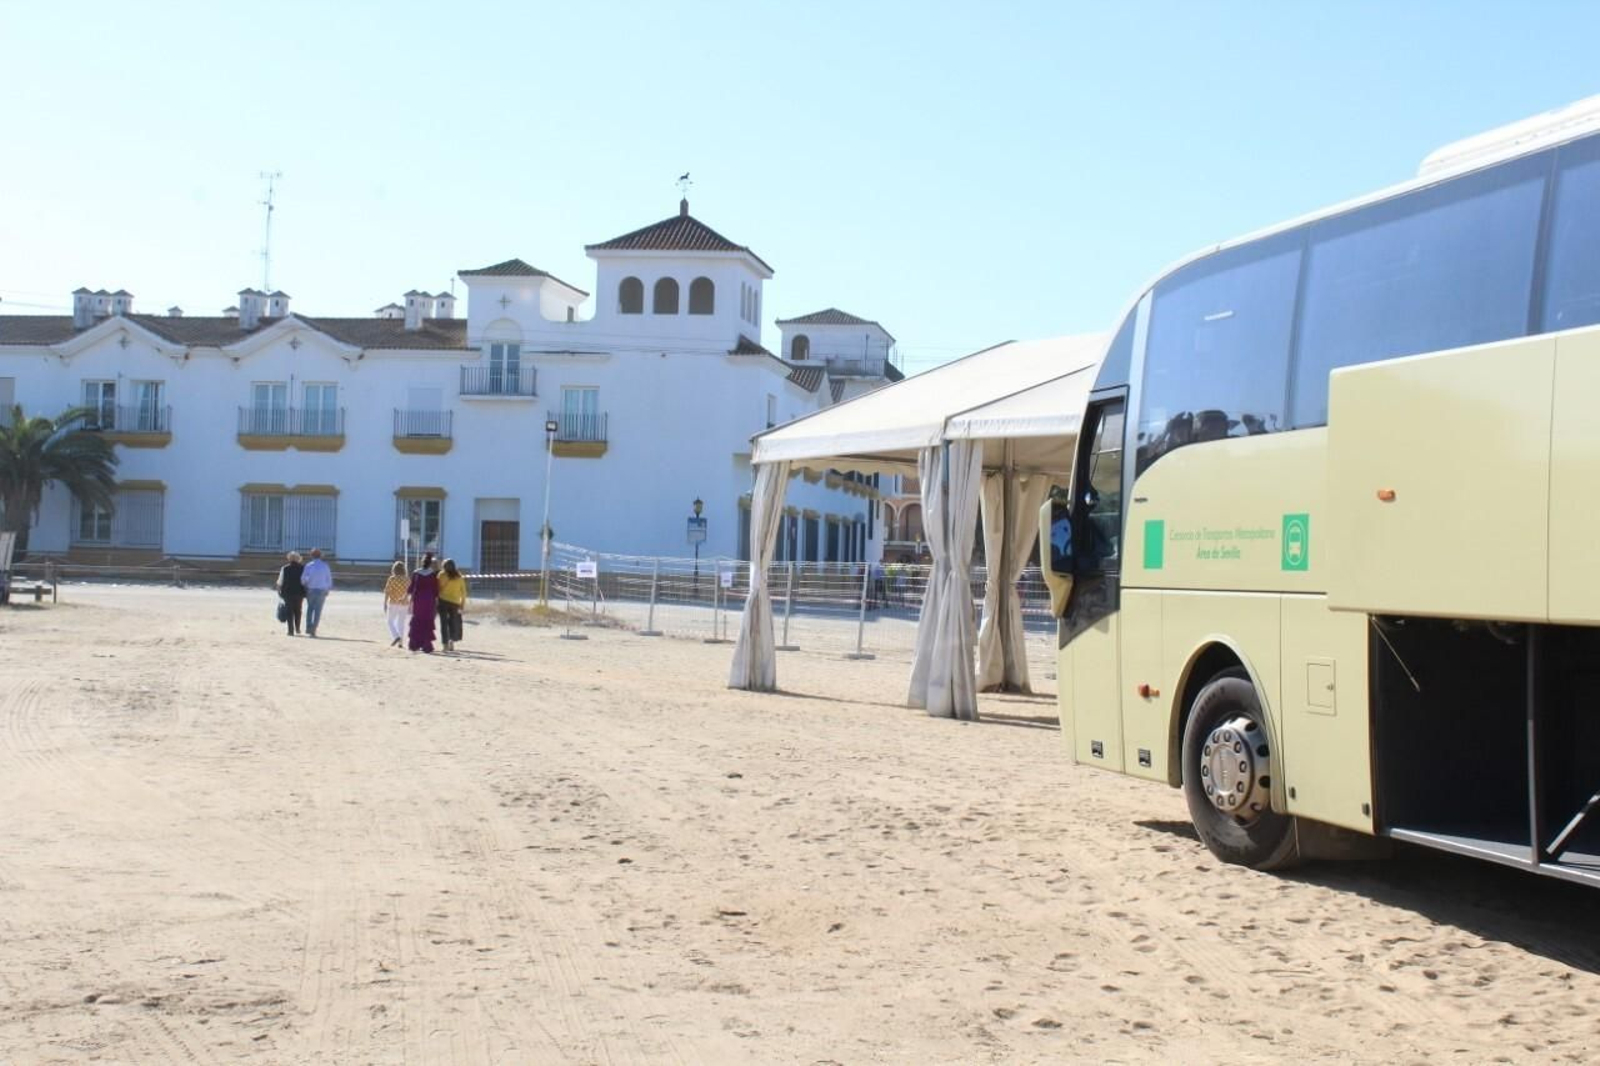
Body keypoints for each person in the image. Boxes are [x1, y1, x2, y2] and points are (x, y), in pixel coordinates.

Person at [407, 552, 440, 653]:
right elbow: (436, 590)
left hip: (418, 600)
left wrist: (408, 598)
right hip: (429, 600)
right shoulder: (433, 575)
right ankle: (426, 645)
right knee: (427, 621)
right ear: (430, 563)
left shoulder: (416, 573)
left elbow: (411, 588)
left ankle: (414, 644)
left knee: (417, 620)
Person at [436, 558, 468, 652]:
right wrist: (462, 604)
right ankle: (451, 641)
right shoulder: (459, 576)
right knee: (452, 622)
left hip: (443, 601)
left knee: (443, 623)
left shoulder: (441, 575)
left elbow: (437, 588)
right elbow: (464, 592)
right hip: (455, 603)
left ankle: (444, 645)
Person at [301, 547, 333, 637]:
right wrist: (328, 589)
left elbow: (303, 579)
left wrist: (306, 583)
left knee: (310, 609)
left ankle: (308, 627)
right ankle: (314, 629)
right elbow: (329, 579)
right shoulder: (325, 565)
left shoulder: (309, 565)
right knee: (318, 611)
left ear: (311, 556)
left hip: (311, 589)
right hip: (322, 590)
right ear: (320, 556)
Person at [276, 551, 305, 636]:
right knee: (298, 610)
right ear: (298, 558)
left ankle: (290, 630)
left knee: (289, 611)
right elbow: (304, 581)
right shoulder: (303, 568)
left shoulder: (285, 568)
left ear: (289, 558)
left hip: (287, 592)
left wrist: (279, 590)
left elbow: (280, 581)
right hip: (299, 592)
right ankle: (298, 628)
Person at [382, 560, 410, 648]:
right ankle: (401, 642)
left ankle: (396, 636)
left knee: (390, 621)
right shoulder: (407, 579)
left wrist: (385, 602)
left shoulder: (392, 579)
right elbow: (410, 591)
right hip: (404, 603)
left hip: (393, 602)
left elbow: (387, 591)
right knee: (401, 623)